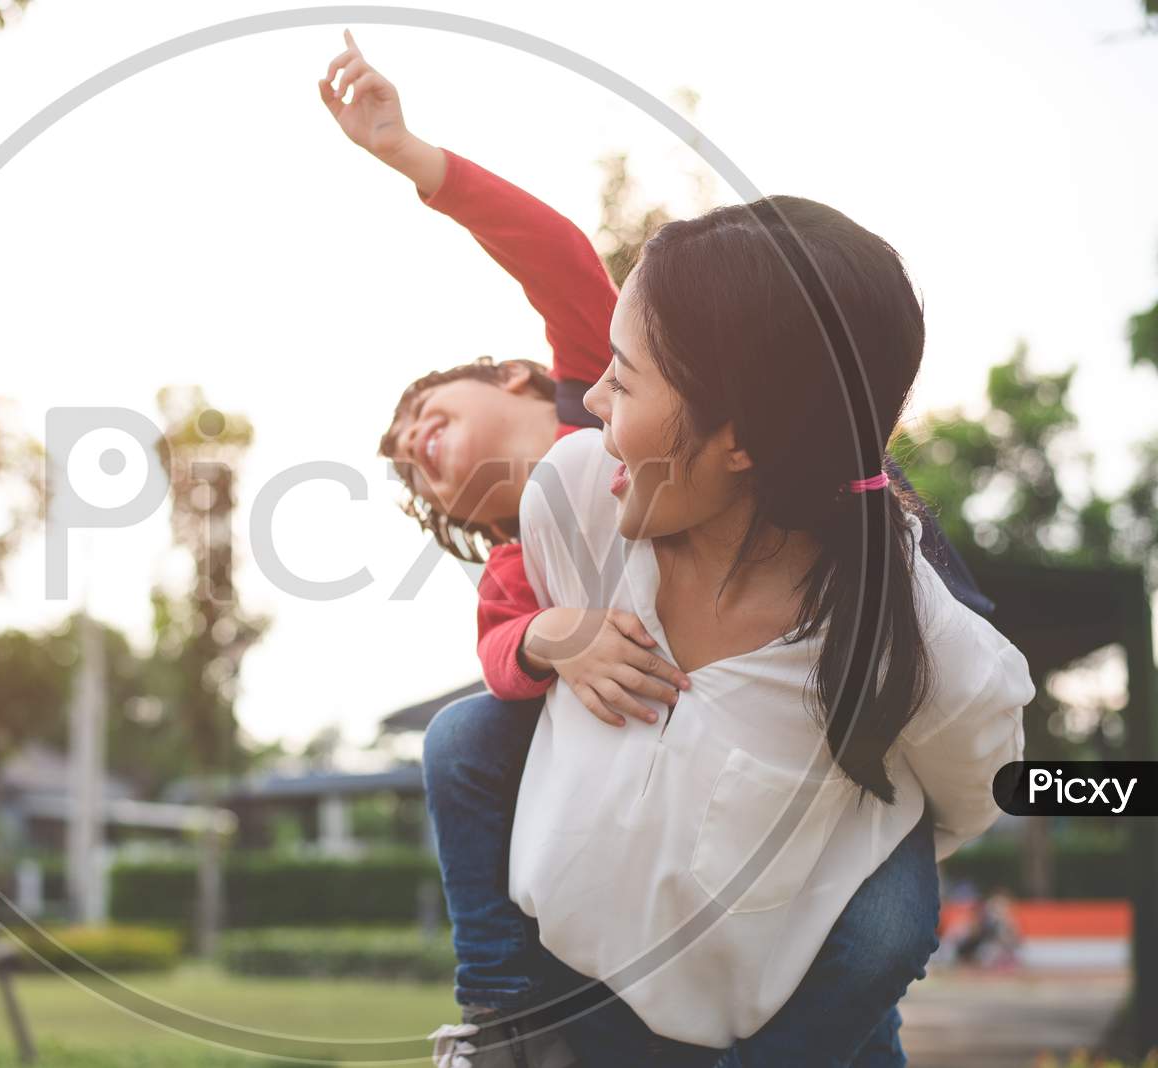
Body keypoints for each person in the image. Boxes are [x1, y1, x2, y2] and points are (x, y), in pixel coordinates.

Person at [320, 32, 1003, 1068]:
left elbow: (547, 246)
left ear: (512, 378)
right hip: (660, 858)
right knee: (462, 738)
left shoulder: (611, 352)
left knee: (885, 920)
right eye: (416, 470)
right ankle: (502, 1020)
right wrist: (553, 635)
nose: (418, 445)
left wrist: (413, 156)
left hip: (866, 615)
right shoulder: (545, 530)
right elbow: (502, 649)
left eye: (427, 413)